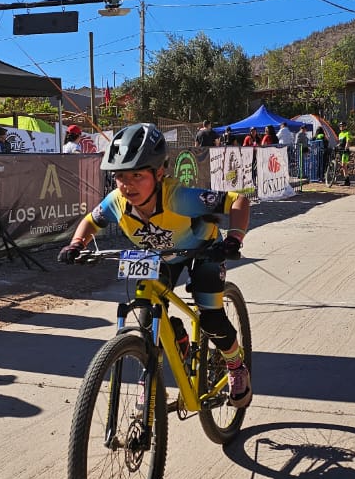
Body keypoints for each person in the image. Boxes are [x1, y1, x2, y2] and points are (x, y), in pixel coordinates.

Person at [57, 122, 253, 408]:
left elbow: (238, 201)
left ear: (159, 173)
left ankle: (236, 366)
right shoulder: (116, 202)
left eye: (137, 175)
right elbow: (91, 221)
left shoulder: (179, 199)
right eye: (120, 176)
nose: (128, 185)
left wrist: (234, 238)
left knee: (211, 317)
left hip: (203, 251)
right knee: (147, 317)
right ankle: (155, 367)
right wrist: (76, 244)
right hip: (159, 255)